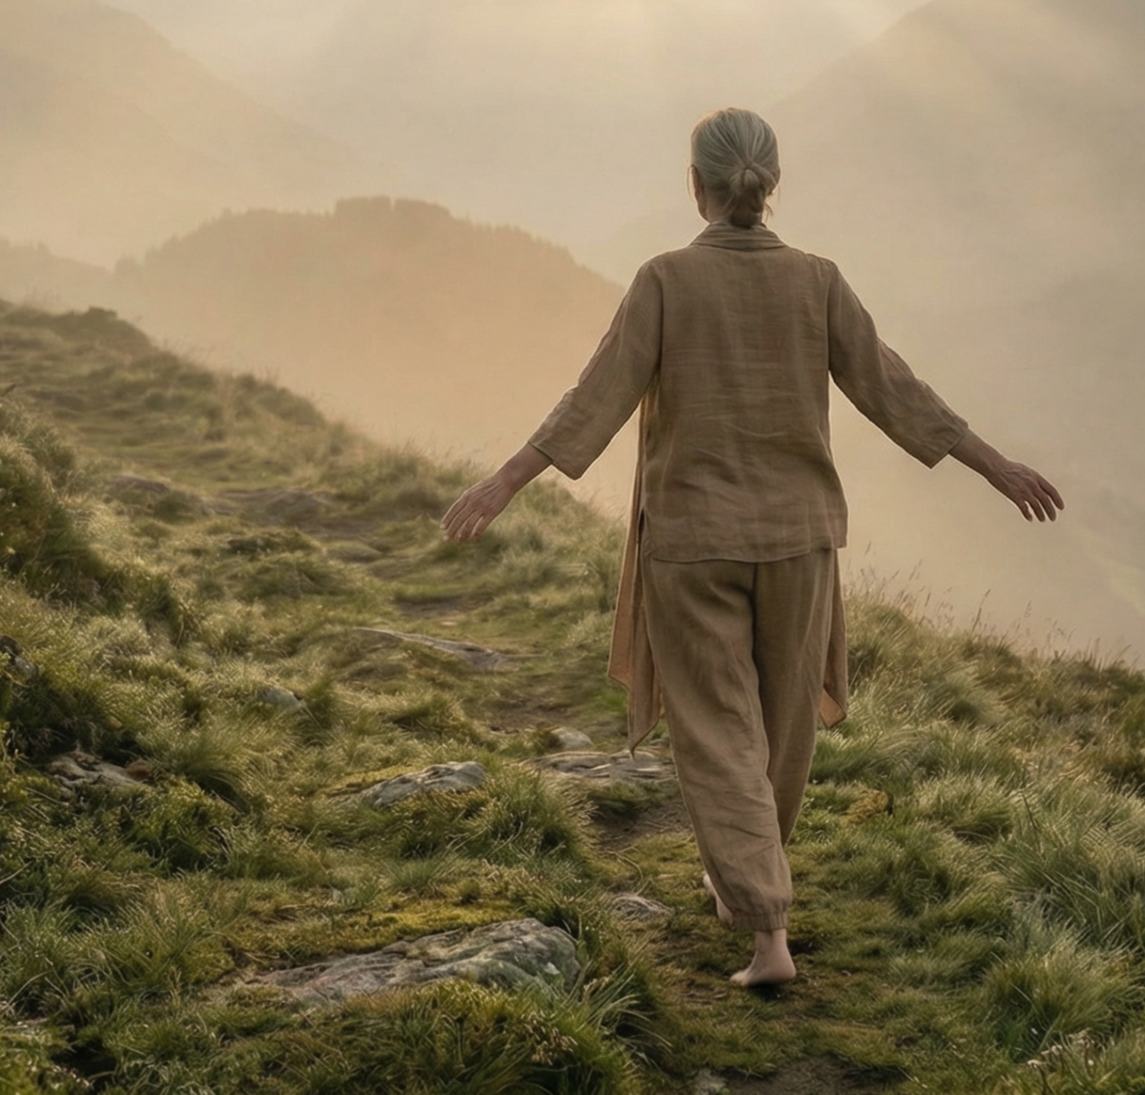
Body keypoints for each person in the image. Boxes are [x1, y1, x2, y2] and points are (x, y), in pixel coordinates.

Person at [441, 108, 1062, 988]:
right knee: (782, 726)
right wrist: (997, 466)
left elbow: (596, 397)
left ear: (695, 184)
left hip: (694, 542)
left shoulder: (666, 279)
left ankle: (766, 925)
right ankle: (749, 882)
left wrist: (503, 483)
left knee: (717, 730)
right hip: (800, 541)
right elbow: (894, 389)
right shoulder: (817, 280)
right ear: (771, 184)